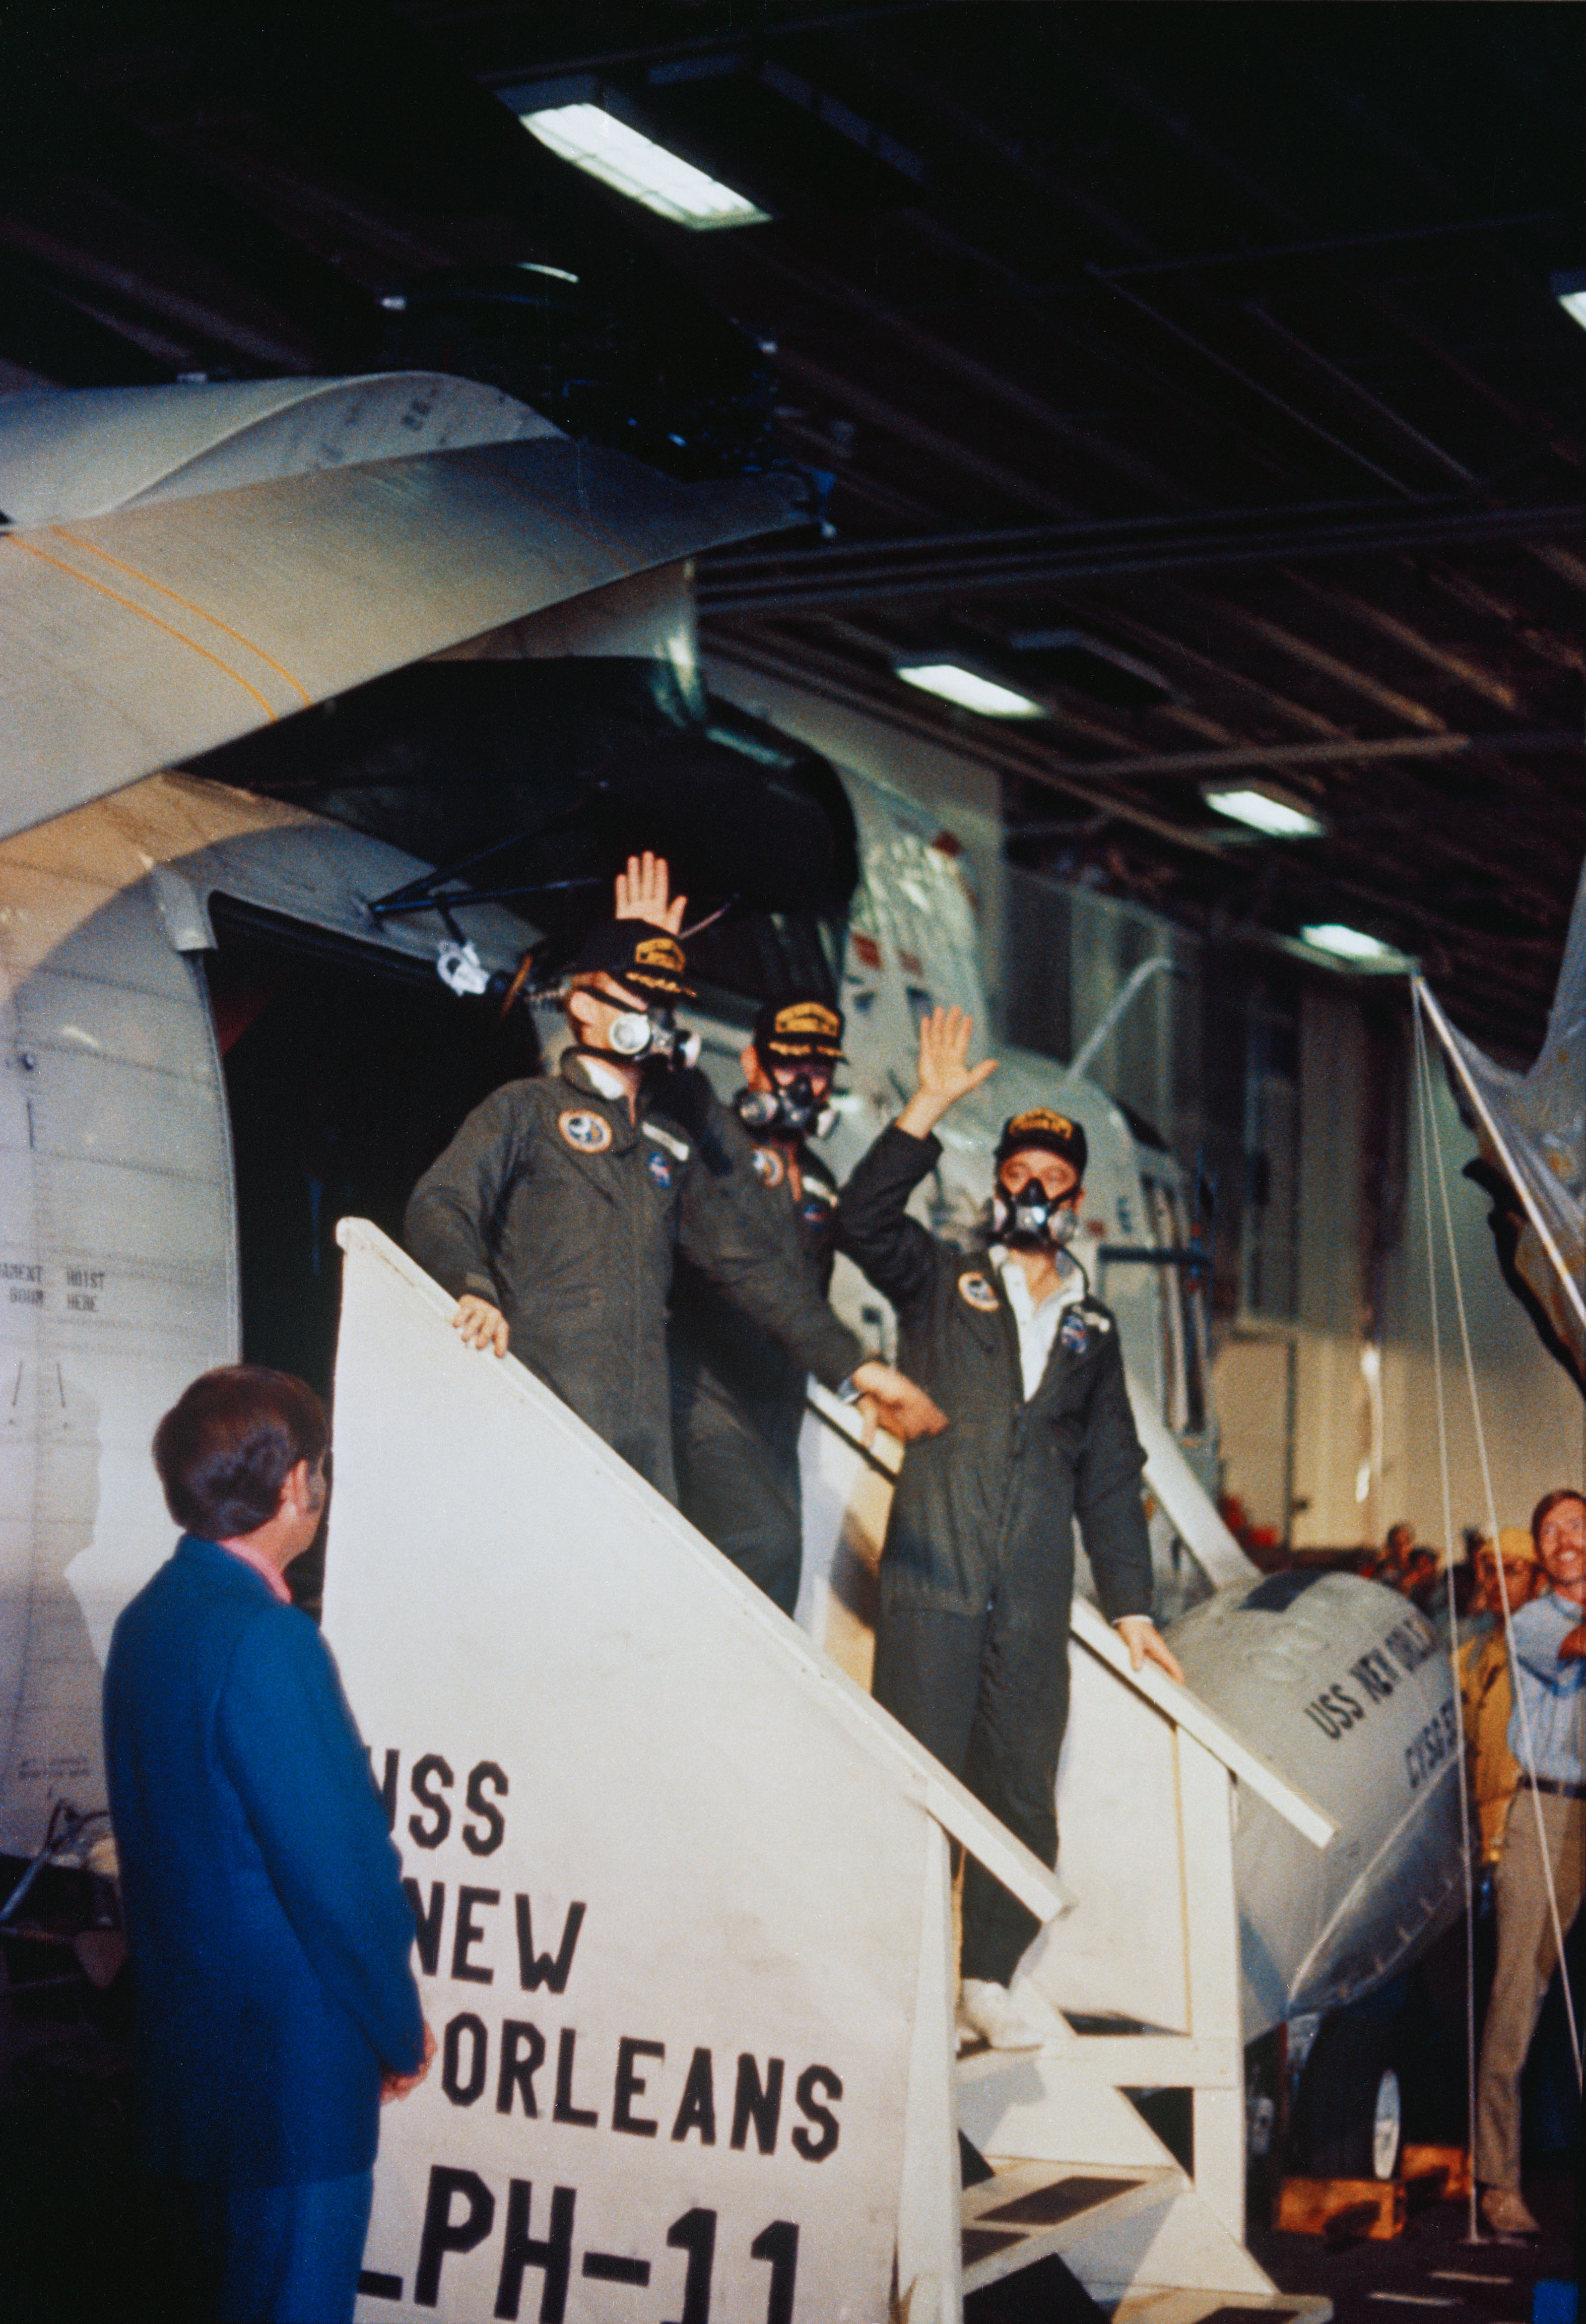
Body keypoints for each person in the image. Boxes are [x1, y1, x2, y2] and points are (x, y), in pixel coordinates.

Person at [836, 1005, 1184, 2051]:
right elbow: (859, 1223)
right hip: (932, 1581)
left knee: (1020, 1793)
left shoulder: (1092, 1326)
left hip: (1030, 1595)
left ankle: (984, 1976)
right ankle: (902, 1987)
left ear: (1075, 1201)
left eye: (1051, 1179)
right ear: (997, 1186)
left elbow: (1110, 1476)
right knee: (919, 1788)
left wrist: (1130, 1607)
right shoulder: (944, 1280)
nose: (1032, 1192)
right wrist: (926, 1107)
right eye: (1017, 1173)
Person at [405, 855, 943, 1500]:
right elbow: (443, 1200)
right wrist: (470, 1287)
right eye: (640, 998)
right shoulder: (527, 1108)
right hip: (539, 1395)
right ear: (583, 1006)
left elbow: (748, 1264)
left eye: (666, 1003)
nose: (658, 1017)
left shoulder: (671, 1141)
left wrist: (858, 1367)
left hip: (642, 1432)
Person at [103, 1367, 432, 2324]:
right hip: (289, 2095)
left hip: (187, 2078)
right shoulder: (271, 1643)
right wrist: (396, 2023)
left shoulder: (149, 1621)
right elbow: (343, 1875)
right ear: (295, 1482)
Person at [669, 991, 848, 1616]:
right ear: (753, 1065)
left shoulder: (822, 1179)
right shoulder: (716, 1144)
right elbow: (675, 1082)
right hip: (708, 1394)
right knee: (761, 1543)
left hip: (777, 1410)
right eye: (791, 1063)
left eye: (820, 1069)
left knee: (781, 1576)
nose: (806, 1081)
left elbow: (811, 1296)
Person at [1473, 1486, 1586, 2238]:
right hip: (1549, 1815)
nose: (1563, 1539)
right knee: (1520, 1998)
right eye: (1550, 1532)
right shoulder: (1539, 1622)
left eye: (1576, 1525)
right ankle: (1497, 2183)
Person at [1459, 1528, 1544, 1870]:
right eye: (1491, 1571)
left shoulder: (1556, 1657)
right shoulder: (1467, 1658)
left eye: (1512, 1572)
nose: (1497, 1583)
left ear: (1540, 1581)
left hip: (1527, 1831)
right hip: (1474, 1832)